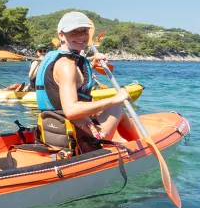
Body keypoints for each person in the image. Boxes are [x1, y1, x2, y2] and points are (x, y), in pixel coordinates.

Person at [35, 11, 138, 152]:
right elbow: (71, 110)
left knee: (110, 107)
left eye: (84, 31)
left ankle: (136, 142)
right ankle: (141, 145)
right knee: (117, 109)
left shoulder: (59, 58)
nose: (81, 36)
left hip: (55, 131)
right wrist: (114, 99)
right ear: (61, 35)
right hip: (76, 136)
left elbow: (73, 79)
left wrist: (92, 65)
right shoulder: (67, 65)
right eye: (74, 32)